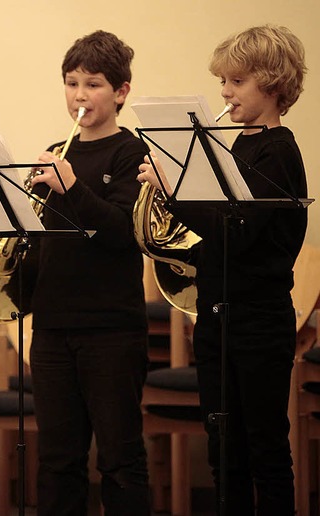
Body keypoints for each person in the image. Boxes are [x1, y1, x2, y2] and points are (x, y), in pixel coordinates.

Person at [137, 25, 307, 515]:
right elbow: (218, 237)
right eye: (223, 83)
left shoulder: (277, 150)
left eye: (236, 82)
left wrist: (175, 192)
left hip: (258, 320)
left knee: (265, 450)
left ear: (272, 84)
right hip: (217, 315)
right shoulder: (238, 148)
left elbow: (236, 230)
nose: (225, 93)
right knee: (223, 449)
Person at [28, 30, 151, 515]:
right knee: (57, 460)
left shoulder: (131, 152)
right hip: (53, 325)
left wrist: (72, 187)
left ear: (120, 92)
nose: (80, 95)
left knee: (119, 458)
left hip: (111, 327)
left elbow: (123, 230)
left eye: (94, 84)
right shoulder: (57, 150)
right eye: (72, 82)